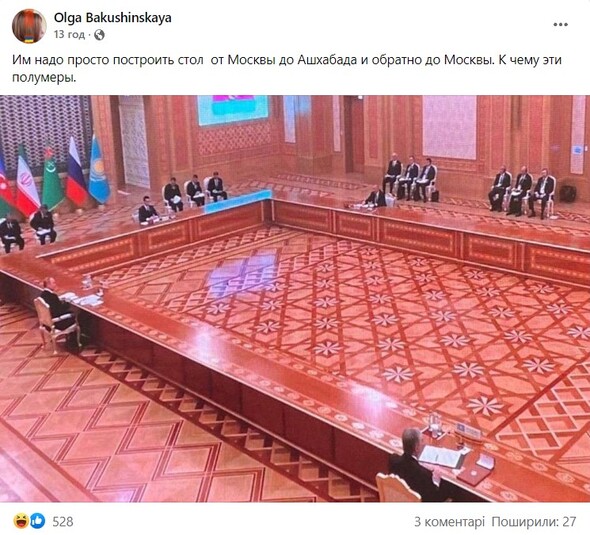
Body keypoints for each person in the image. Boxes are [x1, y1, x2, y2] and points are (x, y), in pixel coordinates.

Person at [388, 428, 447, 502]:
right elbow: (433, 498)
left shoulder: (393, 460)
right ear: (416, 448)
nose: (424, 443)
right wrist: (436, 480)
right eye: (422, 440)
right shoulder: (424, 474)